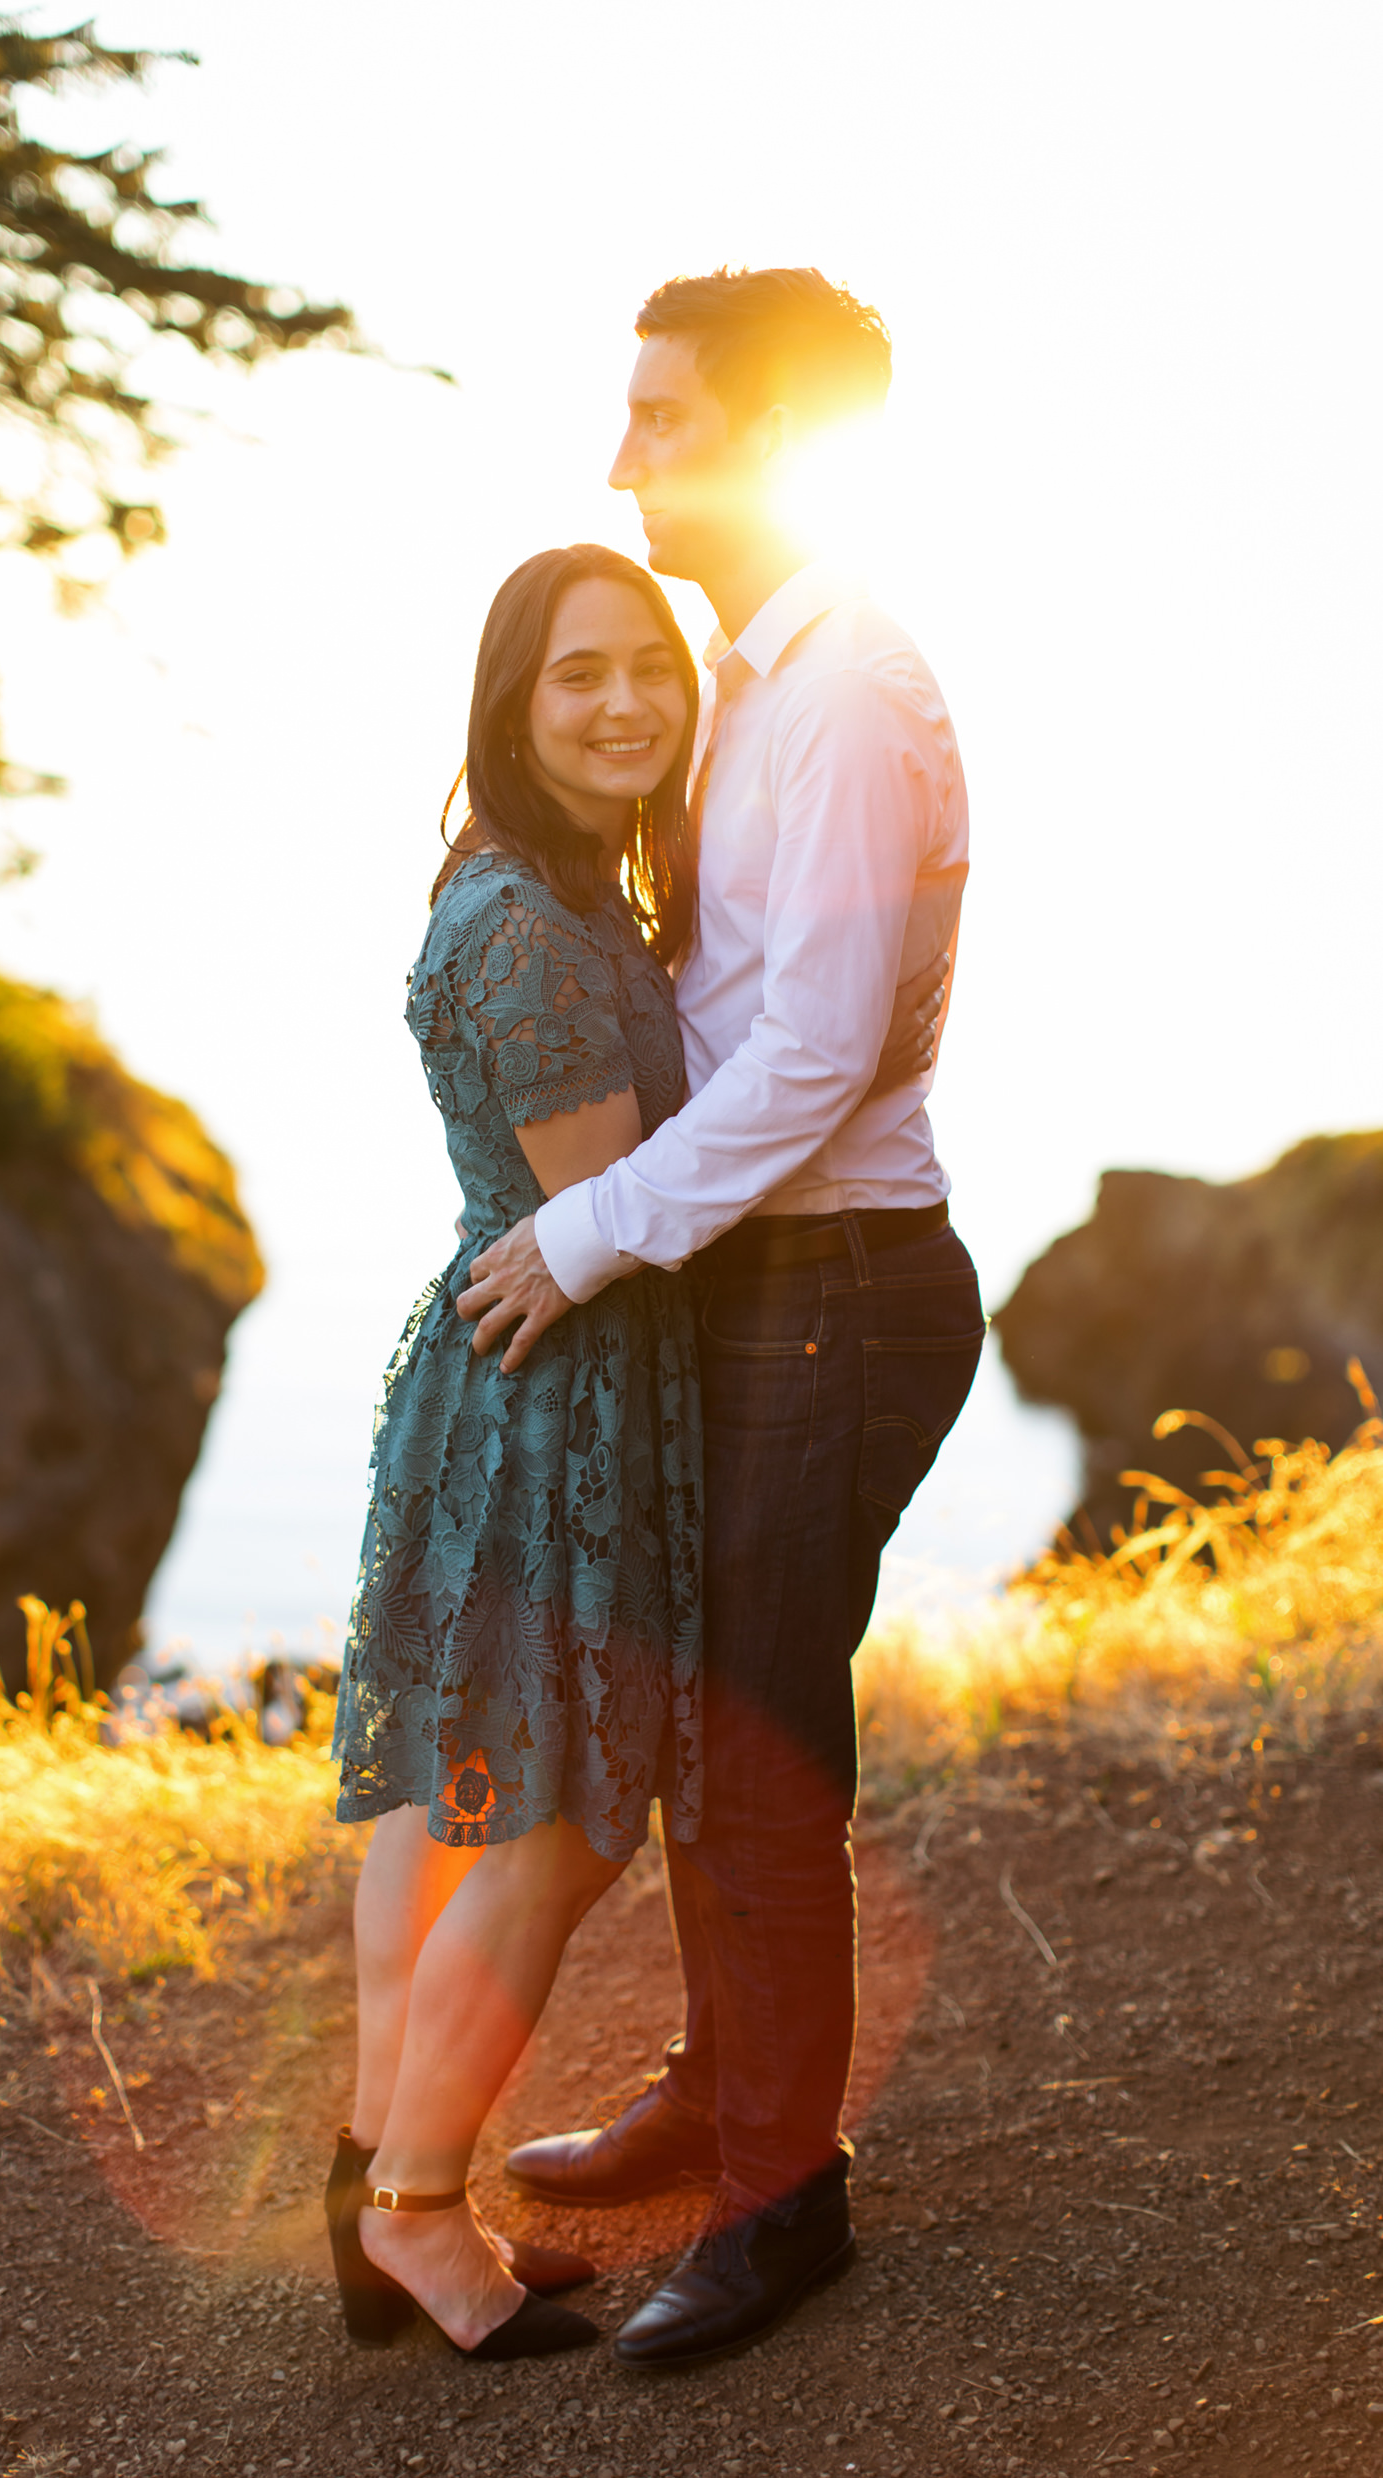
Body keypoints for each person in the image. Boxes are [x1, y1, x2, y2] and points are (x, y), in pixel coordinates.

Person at [326, 537, 937, 2364]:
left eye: (650, 672)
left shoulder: (559, 884)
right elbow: (602, 1204)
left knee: (450, 1798)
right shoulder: (525, 923)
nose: (625, 704)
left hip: (523, 1377)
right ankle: (418, 2208)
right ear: (512, 704)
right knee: (561, 1824)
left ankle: (376, 2164)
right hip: (565, 1398)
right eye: (576, 675)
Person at [461, 268, 984, 2372]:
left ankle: (783, 2200)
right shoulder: (752, 683)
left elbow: (818, 1054)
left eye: (661, 421)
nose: (621, 459)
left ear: (770, 441)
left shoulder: (845, 691)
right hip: (764, 1286)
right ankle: (722, 2085)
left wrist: (582, 1237)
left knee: (758, 1756)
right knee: (711, 1728)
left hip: (833, 1294)